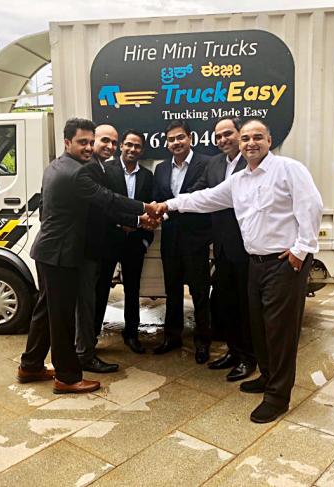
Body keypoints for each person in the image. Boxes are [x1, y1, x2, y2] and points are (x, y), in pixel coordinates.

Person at [152, 119, 323, 423]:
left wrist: (302, 249)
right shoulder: (239, 180)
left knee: (279, 332)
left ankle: (277, 397)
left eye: (257, 137)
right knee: (259, 327)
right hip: (255, 262)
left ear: (269, 140)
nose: (250, 143)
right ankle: (267, 377)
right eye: (246, 138)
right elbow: (203, 199)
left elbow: (311, 205)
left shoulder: (288, 169)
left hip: (283, 263)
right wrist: (167, 205)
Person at [17, 118, 158, 394]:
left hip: (49, 251)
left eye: (90, 142)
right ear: (67, 142)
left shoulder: (57, 165)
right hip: (60, 254)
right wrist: (146, 208)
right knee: (61, 319)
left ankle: (30, 365)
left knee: (45, 312)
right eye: (82, 142)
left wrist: (138, 219)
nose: (88, 147)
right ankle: (67, 377)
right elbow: (108, 199)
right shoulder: (77, 173)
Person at [190, 116, 256, 382]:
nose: (222, 140)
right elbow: (199, 193)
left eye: (227, 133)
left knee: (246, 307)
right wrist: (167, 206)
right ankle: (233, 351)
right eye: (218, 136)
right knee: (227, 304)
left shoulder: (252, 162)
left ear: (240, 134)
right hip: (222, 248)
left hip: (247, 247)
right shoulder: (214, 163)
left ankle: (249, 358)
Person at [75, 124, 138, 373]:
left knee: (127, 292)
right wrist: (142, 213)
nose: (109, 146)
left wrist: (139, 226)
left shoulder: (98, 167)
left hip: (126, 245)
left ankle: (88, 348)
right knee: (92, 298)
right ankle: (86, 348)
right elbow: (109, 201)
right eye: (105, 141)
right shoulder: (91, 169)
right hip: (97, 246)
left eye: (113, 142)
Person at [152, 120, 212, 364]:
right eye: (171, 139)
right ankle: (172, 337)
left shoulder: (206, 163)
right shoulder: (160, 168)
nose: (176, 143)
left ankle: (202, 342)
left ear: (190, 138)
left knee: (199, 292)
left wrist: (168, 209)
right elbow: (157, 199)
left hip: (196, 238)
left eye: (180, 137)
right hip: (170, 239)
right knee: (172, 291)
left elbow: (202, 197)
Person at [95, 129, 154, 354]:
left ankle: (131, 334)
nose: (132, 149)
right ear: (121, 146)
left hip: (135, 242)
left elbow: (150, 208)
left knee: (132, 289)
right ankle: (92, 335)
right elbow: (104, 205)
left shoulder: (147, 176)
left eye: (137, 146)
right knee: (101, 289)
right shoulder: (106, 170)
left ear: (142, 150)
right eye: (128, 144)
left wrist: (144, 240)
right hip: (109, 239)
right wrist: (128, 221)